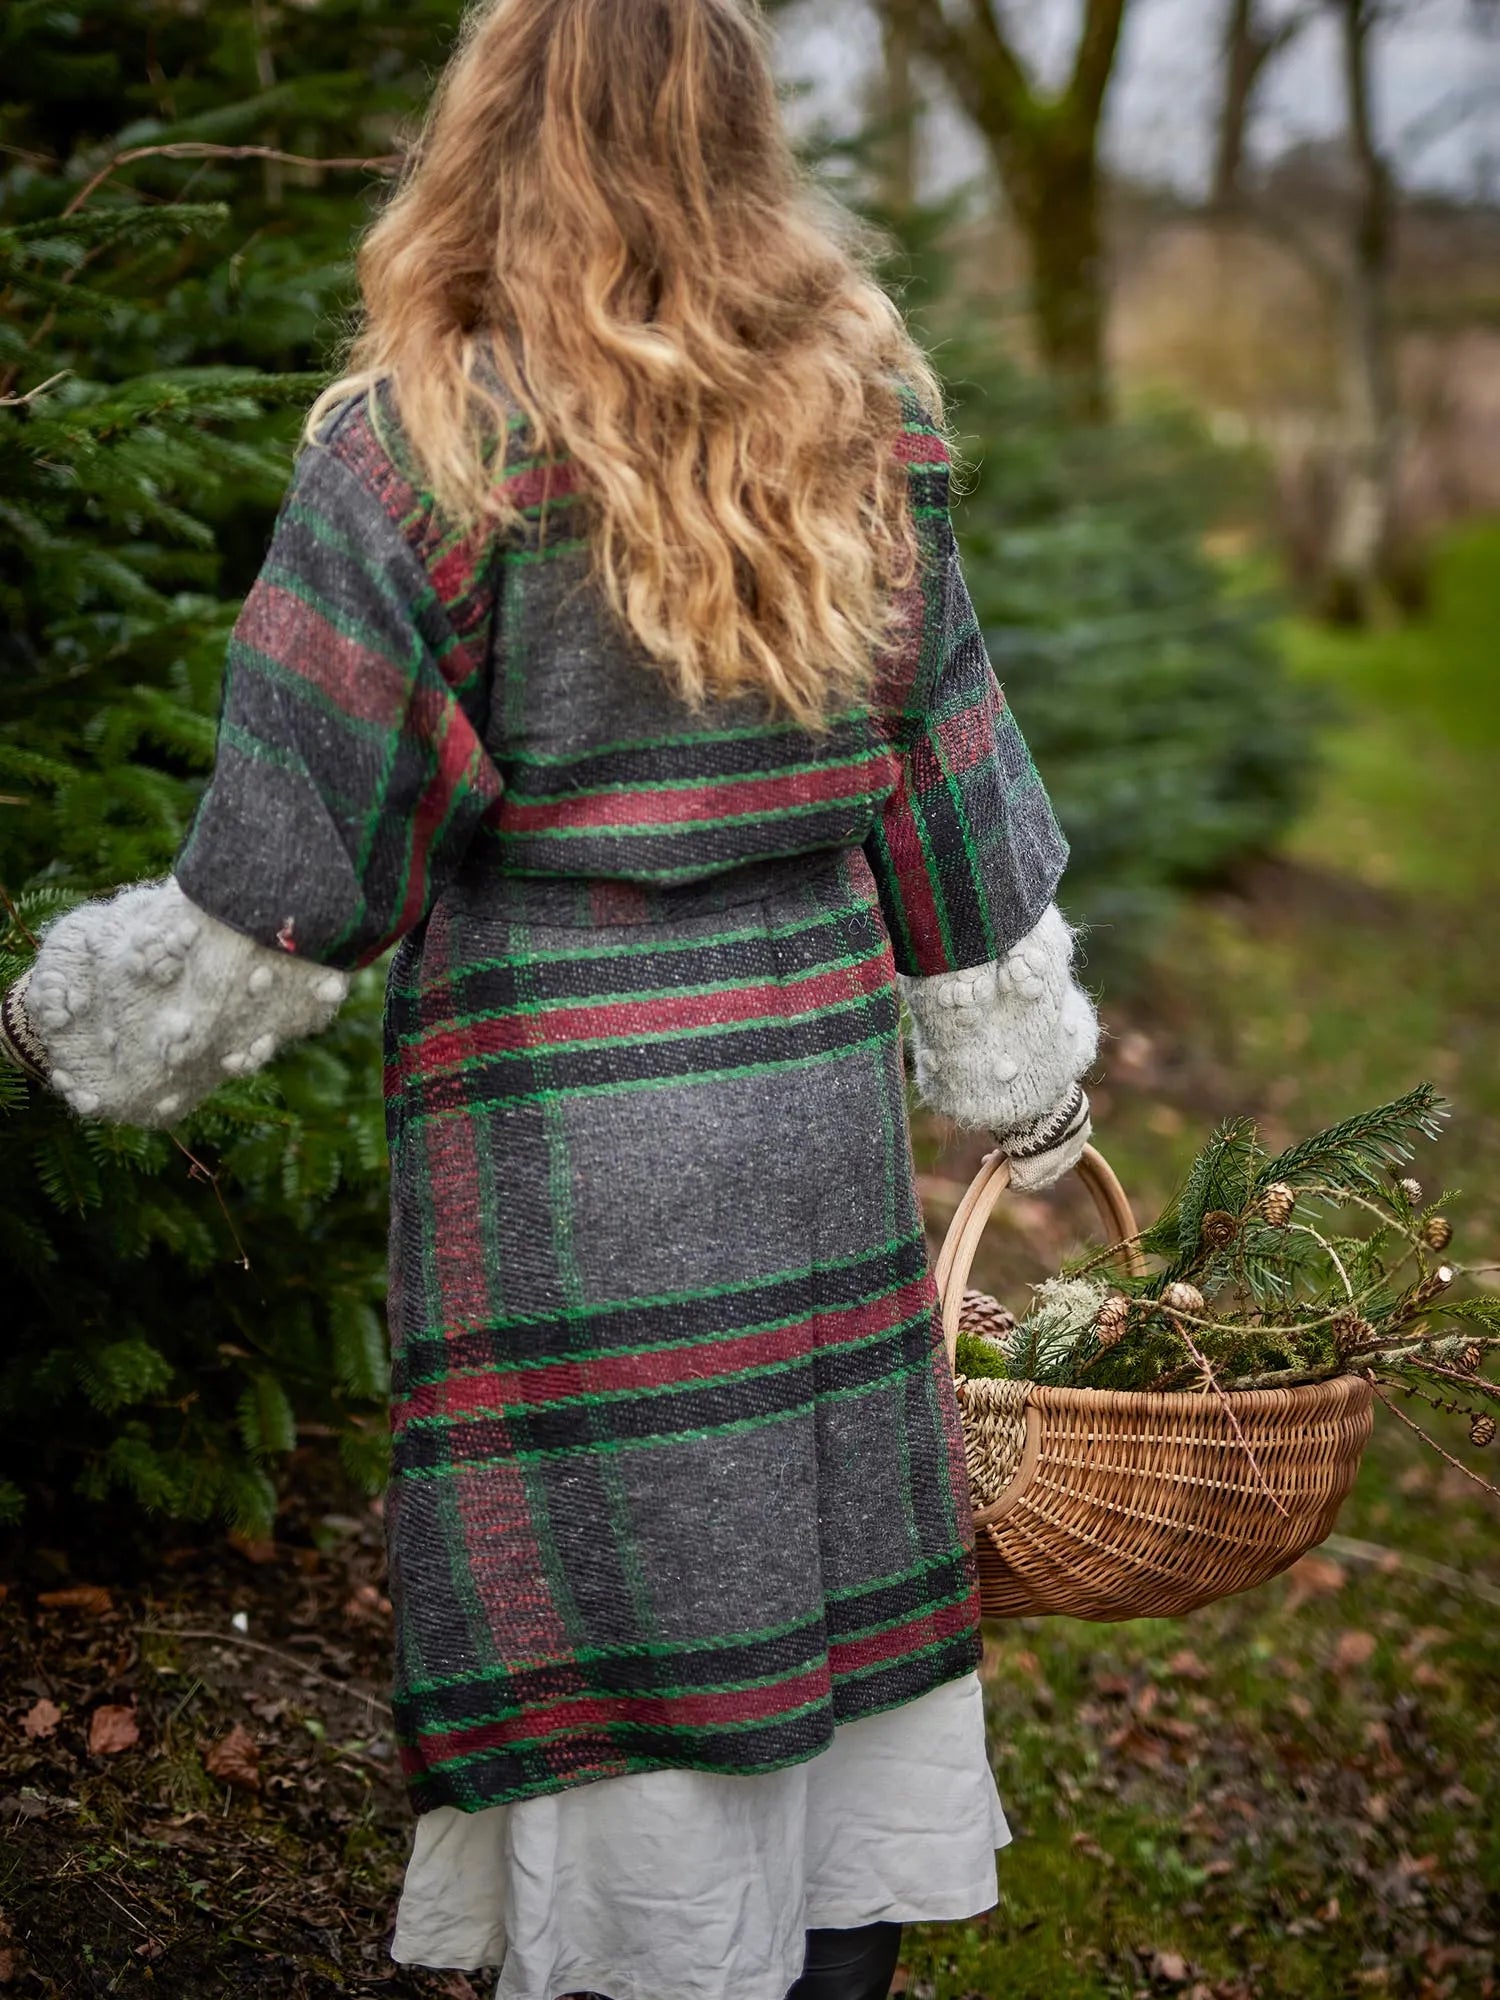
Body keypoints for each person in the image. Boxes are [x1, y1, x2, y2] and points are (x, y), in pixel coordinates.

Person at [0, 2, 1101, 1996]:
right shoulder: (861, 417)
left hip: (564, 1146)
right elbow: (956, 798)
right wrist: (1027, 1085)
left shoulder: (419, 447)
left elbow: (275, 902)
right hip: (808, 1109)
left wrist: (63, 1026)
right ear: (743, 137)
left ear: (495, 122)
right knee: (824, 1636)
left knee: (630, 1680)